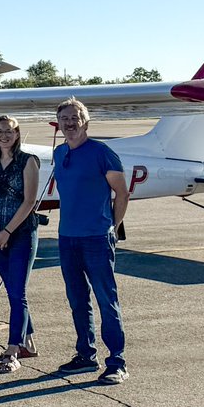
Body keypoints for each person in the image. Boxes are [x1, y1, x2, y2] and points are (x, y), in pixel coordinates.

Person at [52, 97, 130, 385]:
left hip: (97, 238)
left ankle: (117, 361)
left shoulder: (102, 153)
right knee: (77, 300)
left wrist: (113, 226)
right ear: (58, 124)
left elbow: (121, 193)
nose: (70, 123)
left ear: (85, 121)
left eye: (75, 118)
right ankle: (86, 354)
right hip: (67, 238)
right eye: (65, 119)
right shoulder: (60, 154)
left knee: (106, 300)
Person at [0, 115, 40, 374]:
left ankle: (13, 349)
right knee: (13, 291)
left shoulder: (28, 162)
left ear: (17, 135)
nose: (4, 135)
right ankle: (29, 341)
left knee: (18, 293)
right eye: (0, 131)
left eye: (10, 131)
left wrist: (7, 231)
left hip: (22, 233)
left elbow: (29, 202)